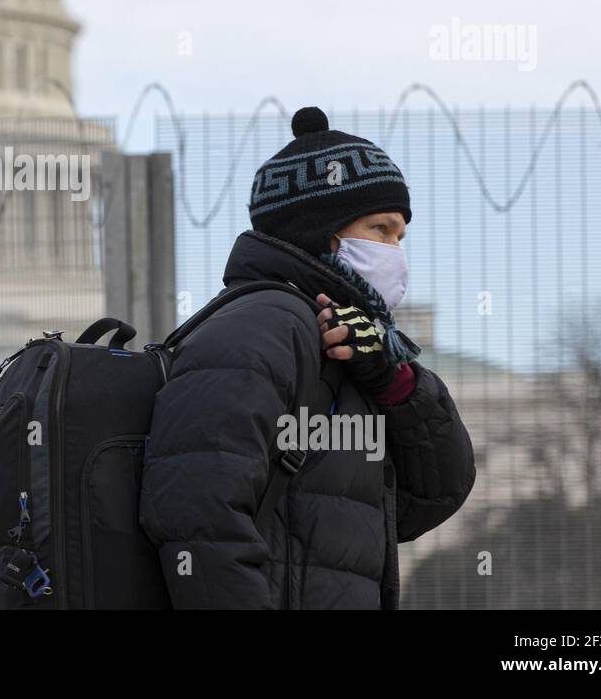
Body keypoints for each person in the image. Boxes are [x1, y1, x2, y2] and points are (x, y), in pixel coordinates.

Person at [139, 105, 476, 608]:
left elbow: (424, 500)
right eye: (381, 230)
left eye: (401, 236)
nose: (396, 253)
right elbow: (196, 514)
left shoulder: (354, 344)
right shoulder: (262, 327)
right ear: (324, 232)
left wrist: (395, 380)